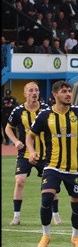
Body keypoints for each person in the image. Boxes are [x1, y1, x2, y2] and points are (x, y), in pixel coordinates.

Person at [27, 81, 78, 247]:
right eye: (64, 91)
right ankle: (46, 235)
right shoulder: (45, 115)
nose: (68, 94)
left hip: (74, 169)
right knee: (47, 198)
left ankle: (75, 237)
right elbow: (30, 136)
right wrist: (32, 151)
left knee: (77, 204)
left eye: (69, 91)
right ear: (55, 95)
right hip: (52, 166)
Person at [4, 82, 61, 226]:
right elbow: (8, 128)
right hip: (25, 154)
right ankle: (16, 216)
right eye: (31, 90)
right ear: (25, 94)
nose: (34, 93)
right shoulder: (18, 111)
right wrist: (16, 141)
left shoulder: (46, 110)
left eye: (36, 90)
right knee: (20, 181)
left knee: (51, 185)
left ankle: (56, 215)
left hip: (45, 155)